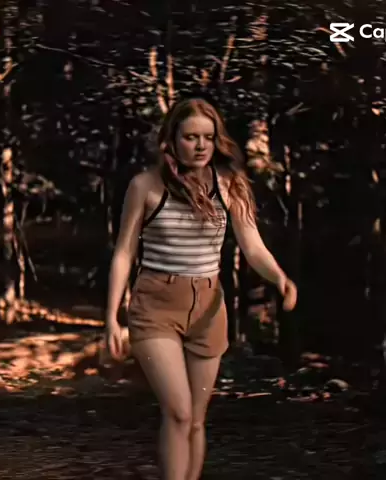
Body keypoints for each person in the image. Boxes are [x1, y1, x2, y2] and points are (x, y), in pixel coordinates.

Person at [105, 97, 298, 480]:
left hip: (209, 307)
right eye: (190, 137)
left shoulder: (229, 186)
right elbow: (124, 252)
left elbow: (252, 246)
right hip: (156, 305)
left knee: (195, 419)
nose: (200, 146)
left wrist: (279, 277)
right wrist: (112, 317)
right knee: (178, 412)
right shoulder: (145, 186)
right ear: (172, 139)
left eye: (208, 137)